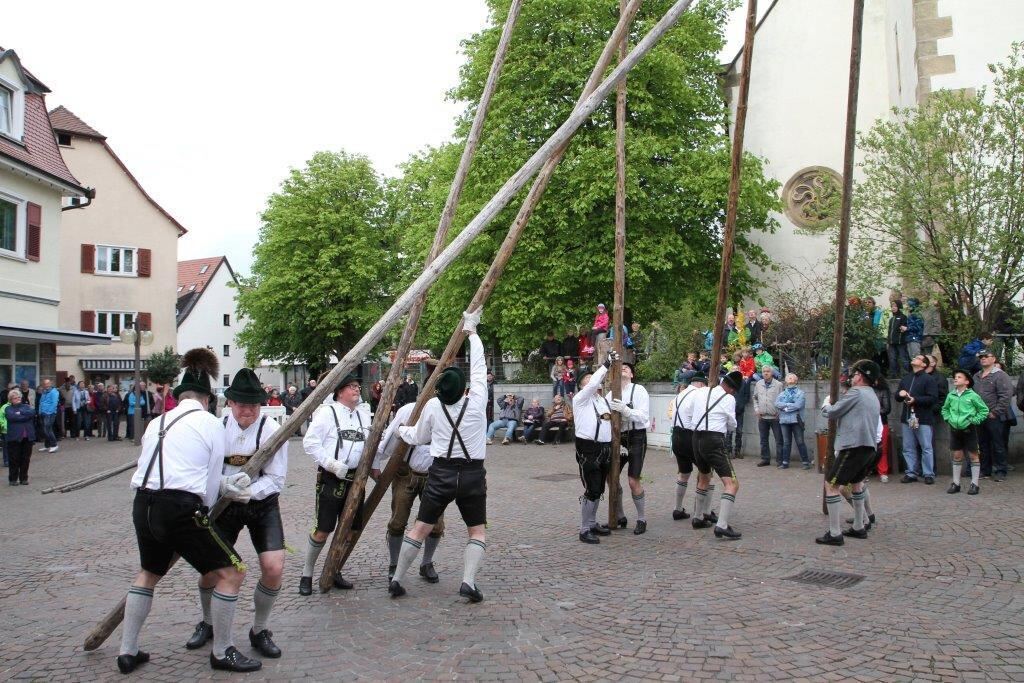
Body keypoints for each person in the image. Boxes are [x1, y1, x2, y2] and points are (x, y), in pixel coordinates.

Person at [118, 348, 260, 674]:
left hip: (143, 504)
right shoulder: (210, 424)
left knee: (148, 573)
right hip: (181, 508)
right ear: (208, 399)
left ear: (180, 395)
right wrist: (220, 495)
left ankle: (127, 651)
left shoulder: (157, 422)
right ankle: (222, 651)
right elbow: (209, 487)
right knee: (232, 573)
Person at [186, 369, 289, 659]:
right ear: (230, 403)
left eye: (253, 406)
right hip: (222, 505)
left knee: (274, 567)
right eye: (242, 405)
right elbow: (203, 469)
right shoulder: (216, 427)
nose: (248, 411)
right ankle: (207, 622)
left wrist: (250, 492)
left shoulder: (271, 430)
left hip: (261, 504)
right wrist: (221, 484)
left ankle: (260, 629)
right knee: (210, 570)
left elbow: (277, 479)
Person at [389, 308, 488, 602]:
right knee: (477, 532)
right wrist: (472, 331)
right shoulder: (477, 401)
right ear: (464, 388)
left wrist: (401, 432)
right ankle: (468, 582)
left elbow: (419, 437)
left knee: (419, 528)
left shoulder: (433, 406)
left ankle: (396, 579)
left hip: (440, 473)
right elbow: (480, 366)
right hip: (472, 474)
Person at [298, 374, 370, 596]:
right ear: (339, 391)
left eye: (358, 386)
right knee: (323, 530)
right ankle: (307, 574)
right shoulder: (327, 413)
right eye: (352, 387)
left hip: (355, 480)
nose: (357, 389)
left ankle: (333, 569)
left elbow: (370, 444)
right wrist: (330, 464)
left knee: (349, 531)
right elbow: (309, 442)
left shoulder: (363, 415)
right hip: (332, 478)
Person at [377, 398, 446, 584]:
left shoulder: (449, 411)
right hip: (405, 472)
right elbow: (391, 436)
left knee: (436, 523)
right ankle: (394, 564)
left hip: (435, 475)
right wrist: (376, 463)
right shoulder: (408, 409)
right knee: (398, 521)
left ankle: (426, 563)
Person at [817, 359, 882, 546]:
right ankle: (859, 526)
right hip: (869, 446)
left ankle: (835, 533)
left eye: (854, 374)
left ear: (860, 376)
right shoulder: (872, 394)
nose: (852, 377)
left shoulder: (856, 392)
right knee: (857, 484)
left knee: (831, 485)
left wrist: (826, 404)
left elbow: (832, 412)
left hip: (853, 446)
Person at [685, 370, 743, 539]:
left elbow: (689, 412)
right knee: (732, 484)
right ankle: (722, 525)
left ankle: (697, 517)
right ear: (732, 389)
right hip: (714, 439)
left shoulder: (701, 391)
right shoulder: (729, 399)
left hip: (696, 437)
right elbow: (732, 424)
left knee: (704, 477)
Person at [572, 351, 620, 544]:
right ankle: (584, 529)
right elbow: (593, 384)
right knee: (591, 488)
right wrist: (606, 364)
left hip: (604, 447)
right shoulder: (580, 399)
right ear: (582, 385)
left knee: (599, 488)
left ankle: (592, 523)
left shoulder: (602, 401)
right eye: (588, 379)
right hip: (588, 447)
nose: (593, 381)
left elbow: (607, 422)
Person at [608, 363, 651, 534]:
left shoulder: (639, 390)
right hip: (619, 437)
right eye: (621, 368)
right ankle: (619, 516)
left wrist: (626, 410)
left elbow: (643, 416)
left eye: (627, 368)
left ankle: (641, 519)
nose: (623, 369)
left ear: (632, 374)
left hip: (636, 437)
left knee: (633, 481)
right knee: (611, 478)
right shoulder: (612, 393)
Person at [941, 369, 988, 495]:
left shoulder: (973, 395)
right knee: (957, 455)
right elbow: (945, 409)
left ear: (967, 381)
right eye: (955, 377)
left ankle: (975, 484)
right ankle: (956, 483)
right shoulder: (951, 395)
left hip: (969, 429)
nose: (956, 379)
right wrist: (948, 418)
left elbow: (984, 410)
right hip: (955, 429)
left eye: (959, 377)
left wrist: (974, 420)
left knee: (973, 456)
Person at [895, 354, 939, 484]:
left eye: (918, 358)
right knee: (908, 447)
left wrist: (916, 400)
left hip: (923, 418)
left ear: (924, 364)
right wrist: (900, 394)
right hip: (907, 418)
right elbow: (897, 397)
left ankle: (928, 473)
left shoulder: (929, 379)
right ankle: (911, 472)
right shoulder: (906, 378)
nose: (914, 359)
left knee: (926, 447)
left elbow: (933, 398)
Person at [972, 349, 1013, 482]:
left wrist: (995, 412)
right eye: (981, 357)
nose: (983, 358)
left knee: (998, 444)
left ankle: (1001, 470)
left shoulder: (1001, 375)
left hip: (994, 416)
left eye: (986, 356)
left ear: (993, 359)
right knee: (983, 444)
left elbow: (1006, 396)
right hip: (980, 416)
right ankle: (985, 470)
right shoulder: (976, 376)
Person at [670, 373, 705, 521]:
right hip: (690, 435)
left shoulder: (681, 393)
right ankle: (702, 513)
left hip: (676, 435)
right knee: (706, 473)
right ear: (702, 384)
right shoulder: (698, 394)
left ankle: (677, 509)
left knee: (683, 473)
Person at [775, 373, 810, 469]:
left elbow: (798, 405)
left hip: (796, 420)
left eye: (792, 377)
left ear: (796, 380)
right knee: (786, 442)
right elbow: (777, 403)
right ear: (785, 381)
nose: (790, 379)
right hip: (784, 421)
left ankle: (806, 462)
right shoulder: (782, 393)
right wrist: (790, 405)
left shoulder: (801, 393)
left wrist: (785, 408)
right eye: (788, 377)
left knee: (800, 441)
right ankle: (785, 462)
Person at [752, 366, 784, 468]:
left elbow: (783, 399)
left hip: (775, 417)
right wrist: (757, 410)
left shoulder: (778, 385)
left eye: (768, 371)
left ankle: (780, 460)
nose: (766, 373)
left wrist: (779, 411)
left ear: (772, 373)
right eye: (764, 372)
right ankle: (765, 459)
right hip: (762, 417)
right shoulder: (758, 384)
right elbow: (755, 398)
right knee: (763, 439)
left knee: (779, 440)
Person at [5, 389, 35, 485]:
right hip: (14, 437)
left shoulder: (26, 406)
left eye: (19, 397)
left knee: (26, 458)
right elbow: (11, 417)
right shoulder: (8, 408)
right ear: (11, 400)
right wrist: (24, 414)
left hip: (27, 437)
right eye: (15, 398)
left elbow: (32, 413)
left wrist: (20, 413)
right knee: (14, 459)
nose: (18, 399)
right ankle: (13, 479)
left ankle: (24, 478)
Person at [874, 376, 892, 482]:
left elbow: (887, 408)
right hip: (869, 422)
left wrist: (873, 411)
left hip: (881, 421)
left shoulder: (883, 390)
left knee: (882, 448)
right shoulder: (867, 390)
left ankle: (883, 471)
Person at [887, 300, 909, 376]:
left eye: (895, 306)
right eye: (892, 306)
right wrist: (888, 341)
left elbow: (905, 328)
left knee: (903, 358)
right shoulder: (891, 319)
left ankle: (906, 374)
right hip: (891, 343)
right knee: (892, 359)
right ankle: (893, 374)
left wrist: (903, 329)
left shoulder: (903, 317)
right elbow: (889, 331)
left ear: (899, 307)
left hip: (901, 342)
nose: (893, 308)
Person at [37, 378, 59, 453]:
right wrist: (40, 411)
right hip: (43, 413)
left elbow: (54, 403)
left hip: (49, 413)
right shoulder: (44, 392)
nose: (46, 385)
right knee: (45, 430)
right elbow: (41, 402)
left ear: (50, 384)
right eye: (44, 384)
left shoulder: (54, 392)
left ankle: (54, 445)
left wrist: (49, 412)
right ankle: (47, 446)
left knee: (48, 429)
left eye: (47, 383)